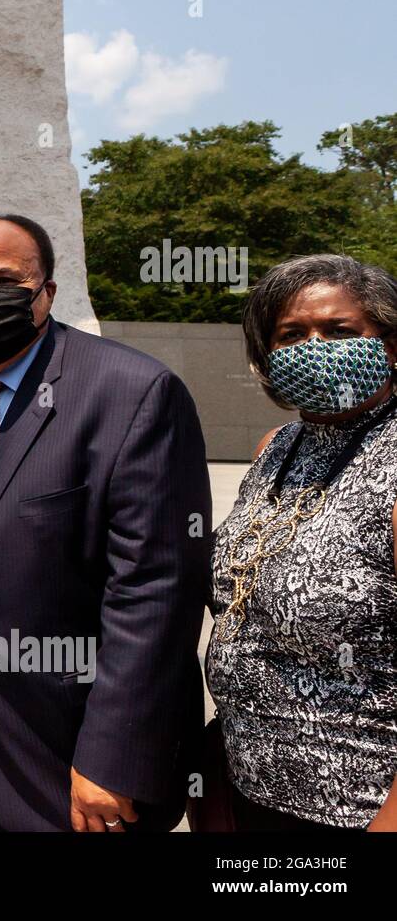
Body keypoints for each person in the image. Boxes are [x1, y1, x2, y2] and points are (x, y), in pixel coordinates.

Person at [0, 214, 210, 832]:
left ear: (48, 292)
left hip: (65, 760)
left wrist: (113, 760)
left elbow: (155, 595)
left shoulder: (132, 391)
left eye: (5, 279)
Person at [206, 254, 397, 832]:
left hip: (356, 807)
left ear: (389, 344)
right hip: (245, 787)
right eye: (291, 335)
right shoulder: (277, 448)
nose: (314, 347)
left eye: (339, 331)